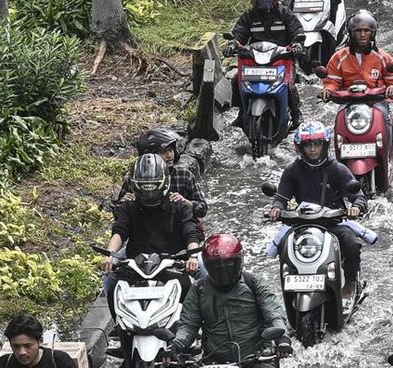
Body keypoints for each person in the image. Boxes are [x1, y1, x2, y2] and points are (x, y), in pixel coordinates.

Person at [269, 121, 368, 304]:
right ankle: (290, 286)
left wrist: (357, 207)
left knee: (351, 244)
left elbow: (358, 196)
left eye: (317, 144)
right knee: (283, 247)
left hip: (332, 222)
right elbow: (281, 197)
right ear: (300, 147)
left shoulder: (337, 168)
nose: (313, 149)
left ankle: (350, 284)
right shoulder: (292, 170)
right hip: (302, 222)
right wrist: (276, 209)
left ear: (324, 145)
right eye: (308, 145)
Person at [164, 234, 292, 368]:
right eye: (217, 268)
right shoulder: (199, 289)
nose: (224, 273)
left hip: (258, 358)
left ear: (240, 262)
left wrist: (282, 339)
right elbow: (188, 325)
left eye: (229, 266)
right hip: (214, 361)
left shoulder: (253, 282)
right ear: (207, 266)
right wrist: (175, 346)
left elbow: (273, 313)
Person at [102, 154, 202, 313]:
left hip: (174, 262)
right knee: (111, 283)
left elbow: (190, 232)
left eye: (154, 186)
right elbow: (120, 231)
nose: (149, 194)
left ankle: (204, 319)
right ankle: (119, 322)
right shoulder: (129, 206)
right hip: (137, 264)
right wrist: (110, 254)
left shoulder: (179, 205)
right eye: (144, 187)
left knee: (200, 280)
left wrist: (193, 257)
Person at [319, 10, 393, 148]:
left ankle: (388, 152)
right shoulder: (339, 57)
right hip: (348, 101)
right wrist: (328, 90)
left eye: (367, 31)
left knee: (386, 119)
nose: (363, 34)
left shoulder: (383, 57)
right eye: (358, 31)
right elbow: (332, 82)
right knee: (339, 121)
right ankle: (339, 153)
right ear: (351, 33)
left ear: (373, 33)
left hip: (376, 102)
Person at [229, 0, 306, 127]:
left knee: (290, 84)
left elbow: (297, 31)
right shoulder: (249, 16)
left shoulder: (284, 13)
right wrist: (233, 44)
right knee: (236, 80)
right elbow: (239, 33)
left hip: (281, 59)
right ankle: (242, 112)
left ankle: (296, 113)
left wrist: (297, 44)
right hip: (255, 60)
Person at [116, 127, 208, 219]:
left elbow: (203, 209)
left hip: (179, 223)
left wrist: (186, 203)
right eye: (163, 152)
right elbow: (117, 213)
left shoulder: (184, 176)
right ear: (149, 157)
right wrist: (124, 203)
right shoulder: (136, 179)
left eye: (170, 150)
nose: (169, 155)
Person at [0, 313, 78, 368]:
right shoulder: (4, 364)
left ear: (40, 341)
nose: (22, 352)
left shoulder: (59, 362)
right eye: (16, 346)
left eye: (28, 346)